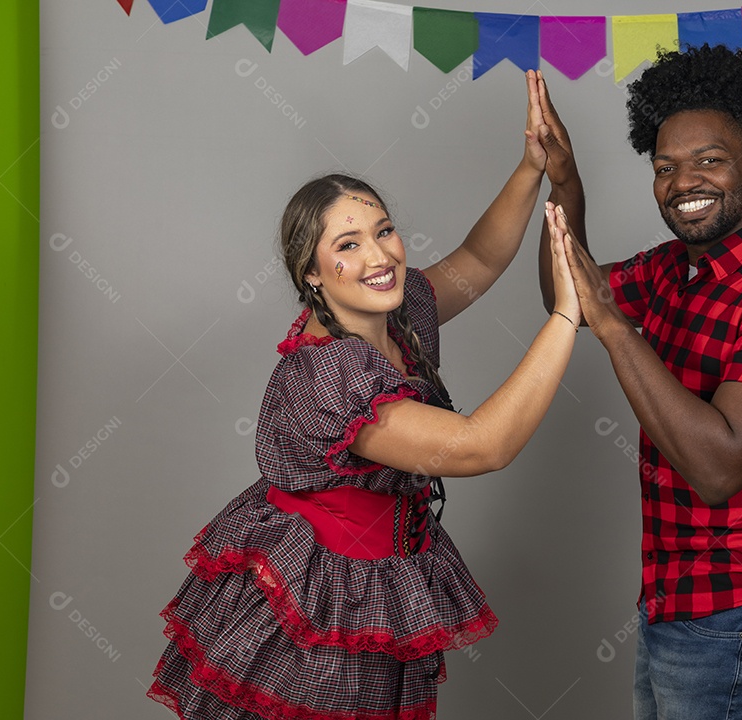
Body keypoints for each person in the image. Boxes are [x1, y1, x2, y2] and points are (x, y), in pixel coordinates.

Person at [148, 71, 581, 720]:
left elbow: (478, 261)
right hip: (319, 602)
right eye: (348, 244)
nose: (379, 255)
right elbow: (480, 447)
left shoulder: (398, 312)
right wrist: (568, 316)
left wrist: (529, 168)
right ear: (313, 274)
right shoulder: (328, 375)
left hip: (376, 580)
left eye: (383, 230)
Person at [536, 47, 742, 719]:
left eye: (708, 159)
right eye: (664, 166)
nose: (682, 181)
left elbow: (719, 466)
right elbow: (562, 292)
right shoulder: (675, 268)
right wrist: (564, 182)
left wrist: (618, 326)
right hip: (682, 587)